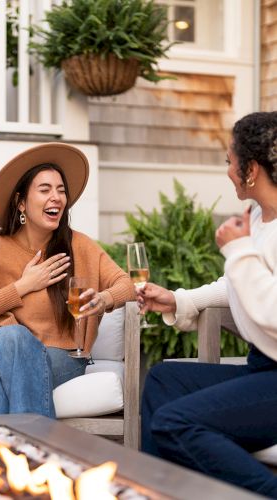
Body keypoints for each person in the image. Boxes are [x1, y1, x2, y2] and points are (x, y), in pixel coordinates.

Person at [137, 111, 277, 497]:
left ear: (251, 169)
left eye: (230, 160)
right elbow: (237, 283)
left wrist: (237, 250)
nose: (227, 170)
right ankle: (157, 491)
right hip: (263, 368)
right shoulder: (258, 218)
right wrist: (179, 299)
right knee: (164, 379)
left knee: (174, 423)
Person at [0, 142, 135, 418]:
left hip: (63, 357)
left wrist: (104, 299)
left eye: (61, 190)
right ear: (21, 203)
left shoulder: (81, 246)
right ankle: (39, 451)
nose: (57, 197)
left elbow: (128, 285)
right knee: (15, 338)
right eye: (45, 190)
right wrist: (23, 286)